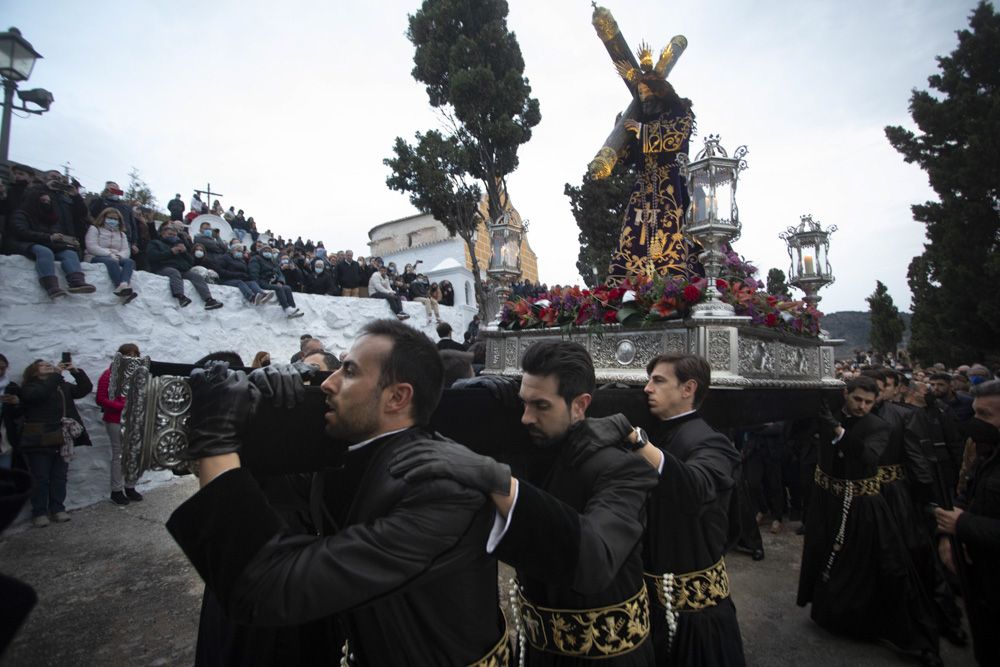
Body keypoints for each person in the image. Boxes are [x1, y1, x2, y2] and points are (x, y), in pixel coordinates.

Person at [166, 319, 509, 665]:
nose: (327, 383)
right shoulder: (353, 452)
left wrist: (216, 442)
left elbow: (267, 586)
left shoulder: (438, 489)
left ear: (397, 397)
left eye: (348, 371)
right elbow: (277, 503)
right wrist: (265, 418)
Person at [391, 340, 659, 665]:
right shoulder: (533, 451)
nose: (525, 418)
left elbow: (596, 559)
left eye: (541, 406)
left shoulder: (624, 470)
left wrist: (496, 480)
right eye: (523, 403)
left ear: (580, 405)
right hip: (535, 653)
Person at [797, 376, 942, 667]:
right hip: (827, 502)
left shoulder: (878, 427)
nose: (862, 406)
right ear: (845, 394)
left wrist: (837, 431)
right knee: (825, 555)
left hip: (862, 504)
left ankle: (908, 635)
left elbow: (868, 457)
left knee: (884, 564)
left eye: (868, 402)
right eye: (857, 399)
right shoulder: (830, 416)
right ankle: (832, 615)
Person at [617, 354, 747, 665]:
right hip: (649, 605)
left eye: (658, 381)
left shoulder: (712, 442)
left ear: (688, 388)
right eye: (648, 380)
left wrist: (638, 442)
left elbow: (696, 488)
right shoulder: (660, 432)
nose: (647, 388)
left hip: (695, 617)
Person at [605, 63, 698, 283]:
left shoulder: (679, 111)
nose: (644, 97)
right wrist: (620, 136)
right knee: (634, 233)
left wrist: (641, 131)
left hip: (671, 183)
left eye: (648, 91)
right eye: (640, 93)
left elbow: (676, 135)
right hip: (643, 187)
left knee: (673, 227)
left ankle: (673, 278)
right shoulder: (640, 120)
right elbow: (629, 159)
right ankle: (627, 282)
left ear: (659, 92)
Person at [935, 380, 1000, 665]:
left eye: (985, 415)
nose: (976, 422)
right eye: (975, 413)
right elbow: (967, 492)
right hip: (982, 575)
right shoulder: (987, 452)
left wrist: (962, 525)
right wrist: (951, 536)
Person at [18, 358, 93, 527]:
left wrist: (75, 371)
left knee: (59, 476)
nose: (48, 366)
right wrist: (57, 375)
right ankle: (39, 512)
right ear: (34, 372)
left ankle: (58, 508)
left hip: (61, 437)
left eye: (49, 365)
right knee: (40, 477)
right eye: (43, 365)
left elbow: (84, 389)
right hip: (40, 439)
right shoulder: (30, 387)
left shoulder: (61, 386)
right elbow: (40, 394)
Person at [9, 188, 96, 298]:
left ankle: (77, 281)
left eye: (48, 201)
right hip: (25, 243)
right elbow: (21, 232)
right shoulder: (21, 214)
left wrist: (65, 241)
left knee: (69, 252)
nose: (46, 203)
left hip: (48, 243)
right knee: (45, 252)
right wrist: (49, 237)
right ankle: (51, 286)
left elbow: (55, 233)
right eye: (43, 201)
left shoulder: (51, 218)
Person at [96, 344, 144, 505]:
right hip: (116, 420)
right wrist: (123, 406)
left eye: (135, 354)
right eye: (129, 354)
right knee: (119, 455)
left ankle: (130, 487)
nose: (133, 357)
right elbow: (101, 399)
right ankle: (116, 490)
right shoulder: (109, 375)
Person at [147, 222, 223, 310]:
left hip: (181, 270)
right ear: (163, 234)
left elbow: (191, 261)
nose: (172, 236)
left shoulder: (179, 245)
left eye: (174, 235)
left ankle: (209, 300)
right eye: (170, 234)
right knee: (174, 272)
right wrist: (171, 252)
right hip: (162, 267)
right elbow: (152, 256)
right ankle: (180, 297)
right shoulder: (155, 243)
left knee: (197, 277)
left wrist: (184, 252)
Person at [84, 207, 138, 303]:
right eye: (110, 218)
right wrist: (108, 254)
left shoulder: (122, 234)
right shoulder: (95, 229)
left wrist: (120, 256)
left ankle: (124, 284)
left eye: (115, 219)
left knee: (129, 262)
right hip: (95, 256)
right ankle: (119, 286)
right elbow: (91, 246)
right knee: (111, 262)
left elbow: (126, 250)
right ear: (103, 217)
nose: (113, 221)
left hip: (116, 256)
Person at [249, 247, 303, 318]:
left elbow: (280, 274)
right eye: (265, 250)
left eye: (269, 251)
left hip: (271, 282)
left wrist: (280, 281)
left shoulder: (273, 262)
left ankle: (292, 308)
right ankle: (286, 308)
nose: (267, 252)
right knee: (278, 288)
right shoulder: (256, 259)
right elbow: (254, 273)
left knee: (287, 288)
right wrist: (256, 285)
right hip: (262, 281)